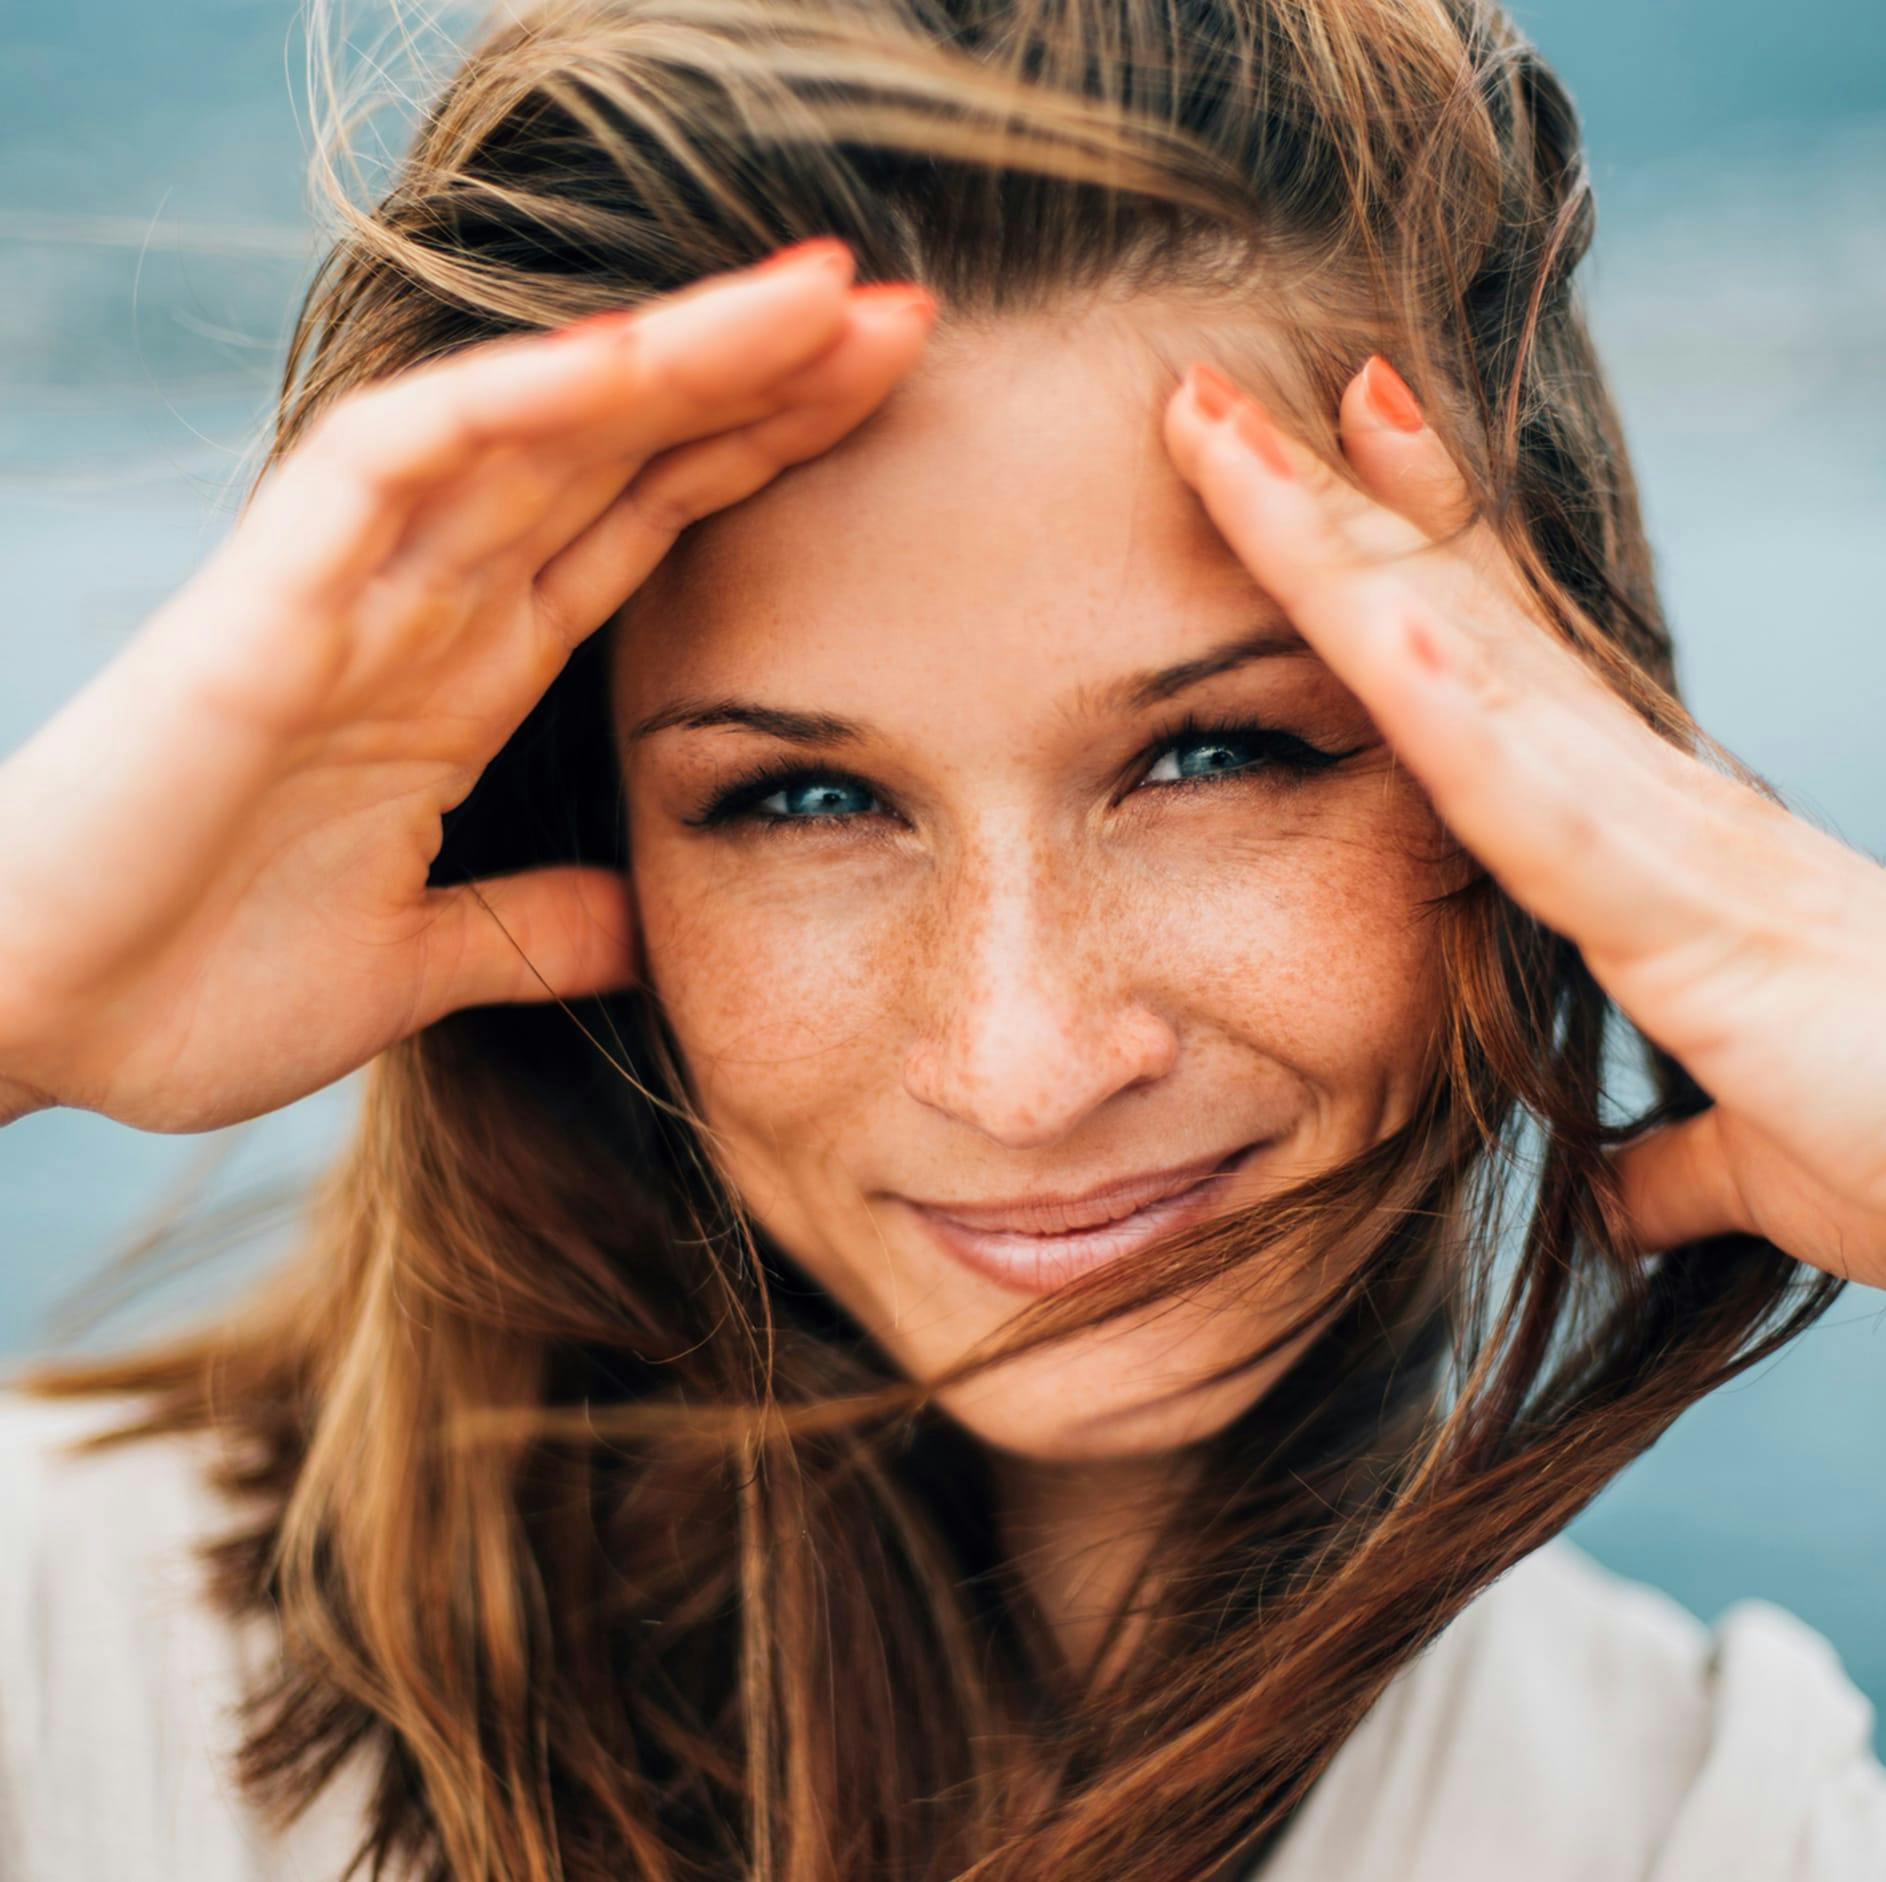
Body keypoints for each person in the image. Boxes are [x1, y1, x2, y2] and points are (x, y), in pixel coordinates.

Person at [1, 0, 1883, 1874]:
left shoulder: (1701, 1815)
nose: (1022, 1061)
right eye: (803, 800)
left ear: (1552, 736)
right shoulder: (62, 1667)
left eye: (1213, 754)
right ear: (573, 820)